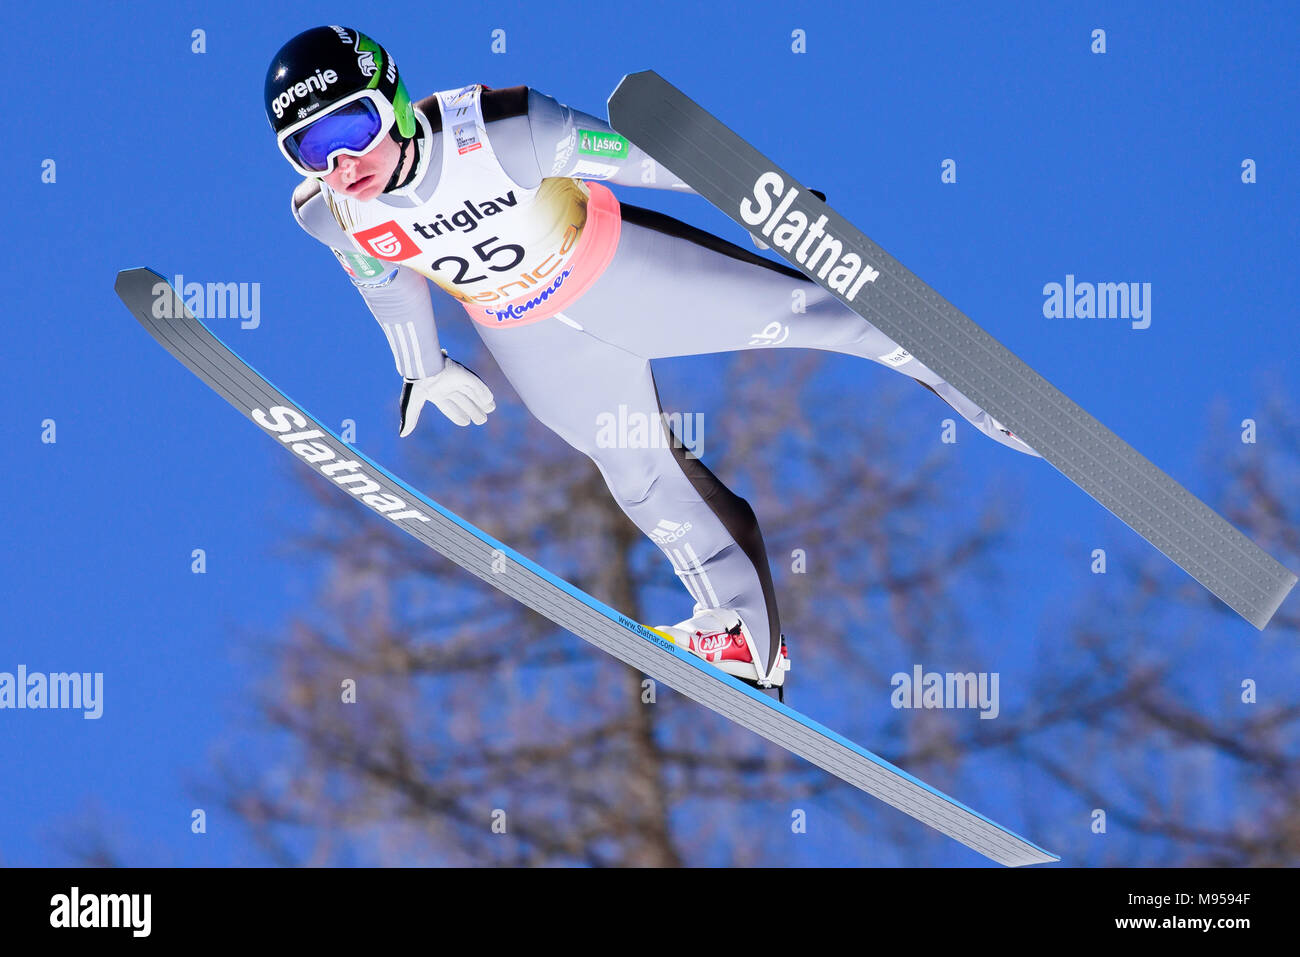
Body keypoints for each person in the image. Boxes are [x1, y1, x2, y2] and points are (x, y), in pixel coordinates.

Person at [264, 25, 1040, 696]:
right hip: (532, 341)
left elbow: (639, 159)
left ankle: (991, 397)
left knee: (822, 313)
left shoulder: (500, 129)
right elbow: (384, 280)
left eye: (349, 129)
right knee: (640, 477)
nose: (338, 163)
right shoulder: (330, 213)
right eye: (307, 149)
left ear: (392, 97)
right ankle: (740, 635)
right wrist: (422, 365)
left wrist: (763, 203)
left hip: (620, 274)